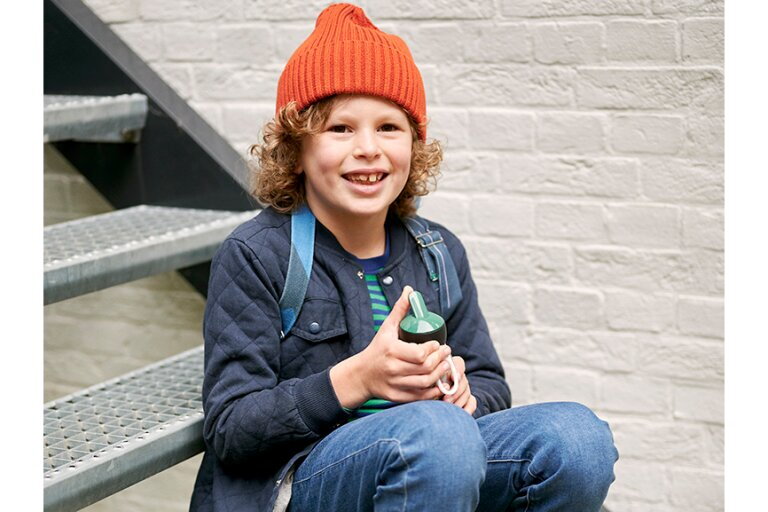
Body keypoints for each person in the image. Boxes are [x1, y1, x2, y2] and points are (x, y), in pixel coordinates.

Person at [190, 4, 618, 511]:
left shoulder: (437, 252)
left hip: (438, 458)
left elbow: (489, 382)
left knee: (577, 439)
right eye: (340, 128)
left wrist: (463, 394)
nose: (368, 148)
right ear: (296, 150)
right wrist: (357, 380)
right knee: (435, 435)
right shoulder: (258, 255)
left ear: (414, 145)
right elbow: (231, 428)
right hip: (305, 479)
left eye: (389, 127)